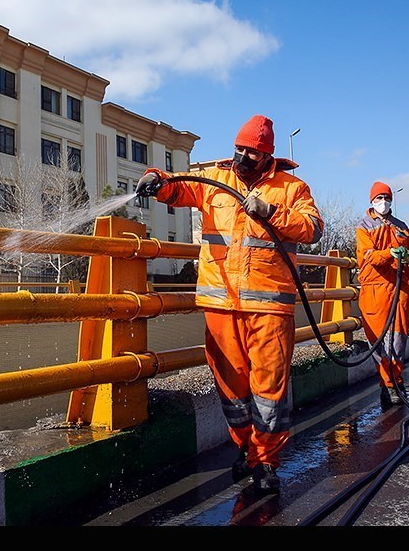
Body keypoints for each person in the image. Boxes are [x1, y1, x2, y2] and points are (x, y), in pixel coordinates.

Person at [136, 115, 323, 495]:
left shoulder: (291, 188)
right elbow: (179, 189)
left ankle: (266, 460)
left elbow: (313, 229)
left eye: (251, 152)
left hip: (270, 306)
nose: (241, 156)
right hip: (221, 303)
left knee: (269, 387)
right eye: (238, 149)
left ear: (267, 155)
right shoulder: (217, 182)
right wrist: (156, 179)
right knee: (231, 387)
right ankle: (246, 449)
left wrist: (271, 212)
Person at [355, 181, 409, 407]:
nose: (383, 202)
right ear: (372, 201)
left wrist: (408, 255)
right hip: (376, 289)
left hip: (400, 289)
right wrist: (390, 254)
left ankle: (396, 380)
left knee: (399, 340)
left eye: (387, 197)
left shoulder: (401, 225)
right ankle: (389, 384)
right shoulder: (364, 226)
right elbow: (368, 256)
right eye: (379, 198)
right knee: (379, 341)